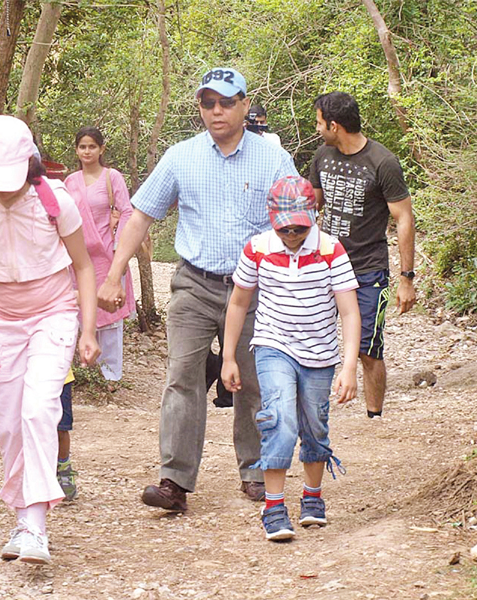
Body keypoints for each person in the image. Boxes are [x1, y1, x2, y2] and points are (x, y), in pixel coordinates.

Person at [98, 67, 299, 510]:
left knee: (253, 379)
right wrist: (114, 275)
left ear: (245, 104)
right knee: (182, 377)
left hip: (256, 287)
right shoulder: (181, 157)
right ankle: (174, 480)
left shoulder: (272, 160)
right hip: (194, 284)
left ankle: (257, 470)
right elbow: (140, 217)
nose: (216, 111)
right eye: (208, 103)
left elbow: (296, 222)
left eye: (226, 102)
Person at [0, 115, 100, 565]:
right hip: (2, 324)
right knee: (9, 424)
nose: (3, 188)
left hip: (54, 315)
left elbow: (84, 268)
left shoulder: (56, 201)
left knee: (39, 410)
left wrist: (88, 329)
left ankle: (36, 525)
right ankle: (22, 518)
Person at [221, 175, 361, 541]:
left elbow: (348, 311)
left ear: (313, 216)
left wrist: (349, 366)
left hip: (320, 352)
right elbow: (238, 301)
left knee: (314, 423)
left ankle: (312, 497)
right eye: (285, 229)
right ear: (272, 221)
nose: (292, 236)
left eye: (299, 228)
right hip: (273, 345)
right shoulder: (258, 249)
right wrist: (228, 357)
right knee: (279, 419)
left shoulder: (331, 250)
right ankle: (274, 506)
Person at [309, 91, 416, 419]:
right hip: (325, 265)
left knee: (369, 349)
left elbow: (404, 218)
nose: (317, 129)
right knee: (314, 341)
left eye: (318, 122)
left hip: (368, 268)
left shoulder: (382, 161)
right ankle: (314, 410)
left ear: (334, 124)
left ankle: (374, 418)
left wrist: (406, 279)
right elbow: (309, 206)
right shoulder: (321, 157)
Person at [0, 301, 79, 502]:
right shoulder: (1, 294)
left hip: (59, 375)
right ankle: (31, 477)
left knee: (60, 427)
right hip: (18, 374)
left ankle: (63, 467)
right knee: (22, 425)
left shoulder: (51, 291)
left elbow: (77, 295)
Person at [65, 127, 136, 383]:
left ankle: (110, 376)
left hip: (106, 254)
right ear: (76, 150)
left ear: (101, 149)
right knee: (79, 307)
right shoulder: (69, 182)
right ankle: (83, 373)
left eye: (92, 146)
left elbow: (127, 211)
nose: (87, 151)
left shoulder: (111, 176)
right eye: (82, 147)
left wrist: (119, 248)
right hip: (77, 256)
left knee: (109, 311)